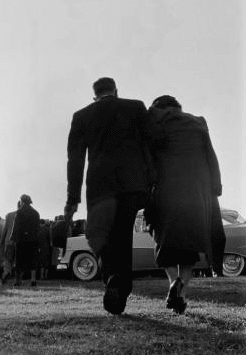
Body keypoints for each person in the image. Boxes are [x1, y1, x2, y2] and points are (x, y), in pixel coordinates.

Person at [65, 77, 153, 314]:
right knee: (124, 237)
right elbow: (149, 143)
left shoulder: (82, 116)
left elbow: (75, 159)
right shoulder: (135, 107)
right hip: (133, 184)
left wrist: (72, 198)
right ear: (116, 91)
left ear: (94, 96)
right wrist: (150, 180)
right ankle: (121, 289)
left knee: (98, 236)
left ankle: (113, 276)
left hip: (100, 187)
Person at [146, 95, 225, 314]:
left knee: (165, 243)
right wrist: (215, 187)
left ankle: (174, 282)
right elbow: (211, 155)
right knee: (189, 247)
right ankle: (181, 293)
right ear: (179, 107)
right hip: (196, 192)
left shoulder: (155, 125)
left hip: (165, 191)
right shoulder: (197, 122)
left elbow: (148, 158)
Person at [11, 195, 40, 287]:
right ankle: (33, 280)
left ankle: (17, 281)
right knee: (32, 260)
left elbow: (15, 227)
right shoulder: (36, 213)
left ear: (22, 201)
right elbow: (37, 229)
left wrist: (12, 238)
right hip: (32, 240)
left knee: (19, 260)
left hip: (21, 239)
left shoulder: (19, 212)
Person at [0, 204, 18, 284]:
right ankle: (16, 277)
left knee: (7, 259)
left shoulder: (9, 215)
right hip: (19, 241)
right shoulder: (25, 215)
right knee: (17, 260)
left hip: (9, 240)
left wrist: (2, 240)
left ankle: (7, 272)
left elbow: (5, 228)